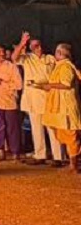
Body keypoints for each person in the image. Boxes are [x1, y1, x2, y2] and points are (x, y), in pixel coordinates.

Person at [13, 32, 61, 165]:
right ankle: (40, 154)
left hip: (48, 97)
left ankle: (58, 156)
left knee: (52, 128)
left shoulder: (50, 58)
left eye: (38, 45)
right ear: (30, 47)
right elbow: (14, 57)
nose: (37, 47)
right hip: (33, 98)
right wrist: (22, 42)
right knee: (36, 128)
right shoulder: (27, 58)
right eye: (33, 45)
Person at [44, 42, 81, 173]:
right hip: (61, 107)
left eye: (56, 52)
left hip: (66, 106)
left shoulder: (65, 67)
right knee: (65, 134)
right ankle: (72, 163)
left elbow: (66, 84)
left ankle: (74, 165)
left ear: (60, 53)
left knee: (71, 135)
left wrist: (50, 86)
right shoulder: (62, 66)